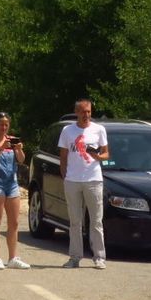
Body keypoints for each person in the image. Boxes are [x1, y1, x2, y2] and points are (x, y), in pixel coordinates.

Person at [57, 98, 110, 269]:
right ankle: (74, 257)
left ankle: (99, 257)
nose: (86, 115)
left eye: (88, 112)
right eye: (83, 112)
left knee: (96, 221)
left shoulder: (99, 129)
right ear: (77, 113)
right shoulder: (67, 131)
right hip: (72, 180)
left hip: (93, 179)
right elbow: (63, 156)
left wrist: (98, 156)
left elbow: (106, 154)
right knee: (75, 221)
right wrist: (65, 175)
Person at [0, 112, 31, 270]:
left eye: (6, 125)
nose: (4, 127)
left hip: (12, 183)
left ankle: (13, 258)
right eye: (1, 124)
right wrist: (1, 148)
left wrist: (19, 150)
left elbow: (21, 160)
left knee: (14, 222)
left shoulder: (11, 140)